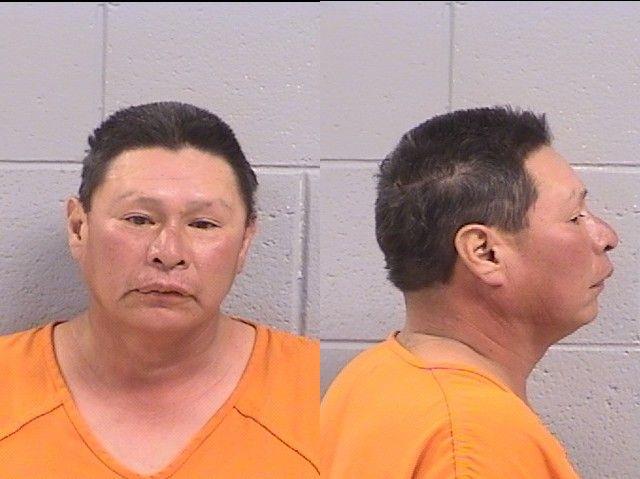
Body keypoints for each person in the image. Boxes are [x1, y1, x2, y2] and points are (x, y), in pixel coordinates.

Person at [0, 102, 319, 478]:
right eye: (138, 219)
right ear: (78, 227)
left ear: (244, 242)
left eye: (203, 224)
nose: (168, 253)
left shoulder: (317, 391)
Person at [321, 106, 618, 478]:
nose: (607, 237)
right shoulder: (472, 443)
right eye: (575, 217)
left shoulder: (372, 376)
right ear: (485, 253)